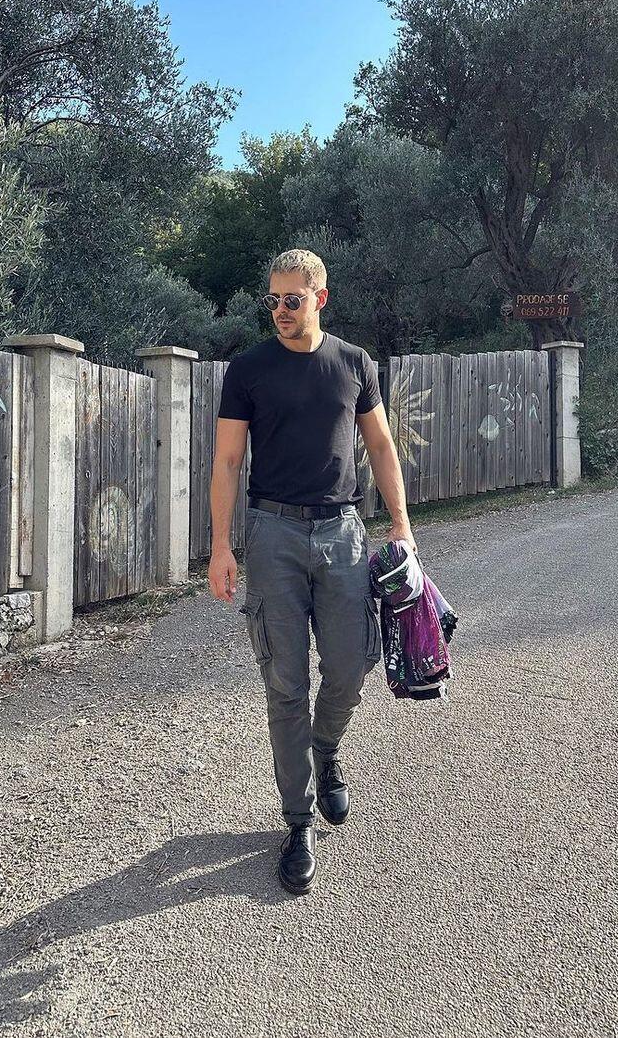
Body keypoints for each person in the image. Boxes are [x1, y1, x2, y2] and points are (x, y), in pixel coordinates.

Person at [208, 248, 416, 896]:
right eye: (272, 299)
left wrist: (402, 525)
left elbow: (380, 444)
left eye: (292, 300)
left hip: (342, 532)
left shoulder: (354, 364)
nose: (280, 310)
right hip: (271, 534)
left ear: (319, 298)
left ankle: (326, 749)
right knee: (285, 682)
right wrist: (221, 546)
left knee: (351, 667)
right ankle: (297, 822)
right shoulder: (248, 370)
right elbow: (227, 461)